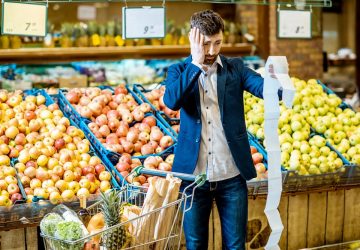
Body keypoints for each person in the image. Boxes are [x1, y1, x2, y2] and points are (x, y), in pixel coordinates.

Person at [163, 9, 281, 250]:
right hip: (193, 179)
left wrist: (279, 85)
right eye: (206, 44)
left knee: (236, 245)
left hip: (231, 177)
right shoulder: (178, 71)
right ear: (193, 39)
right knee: (196, 244)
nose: (212, 51)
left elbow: (261, 87)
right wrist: (195, 64)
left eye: (217, 42)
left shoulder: (234, 68)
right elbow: (171, 101)